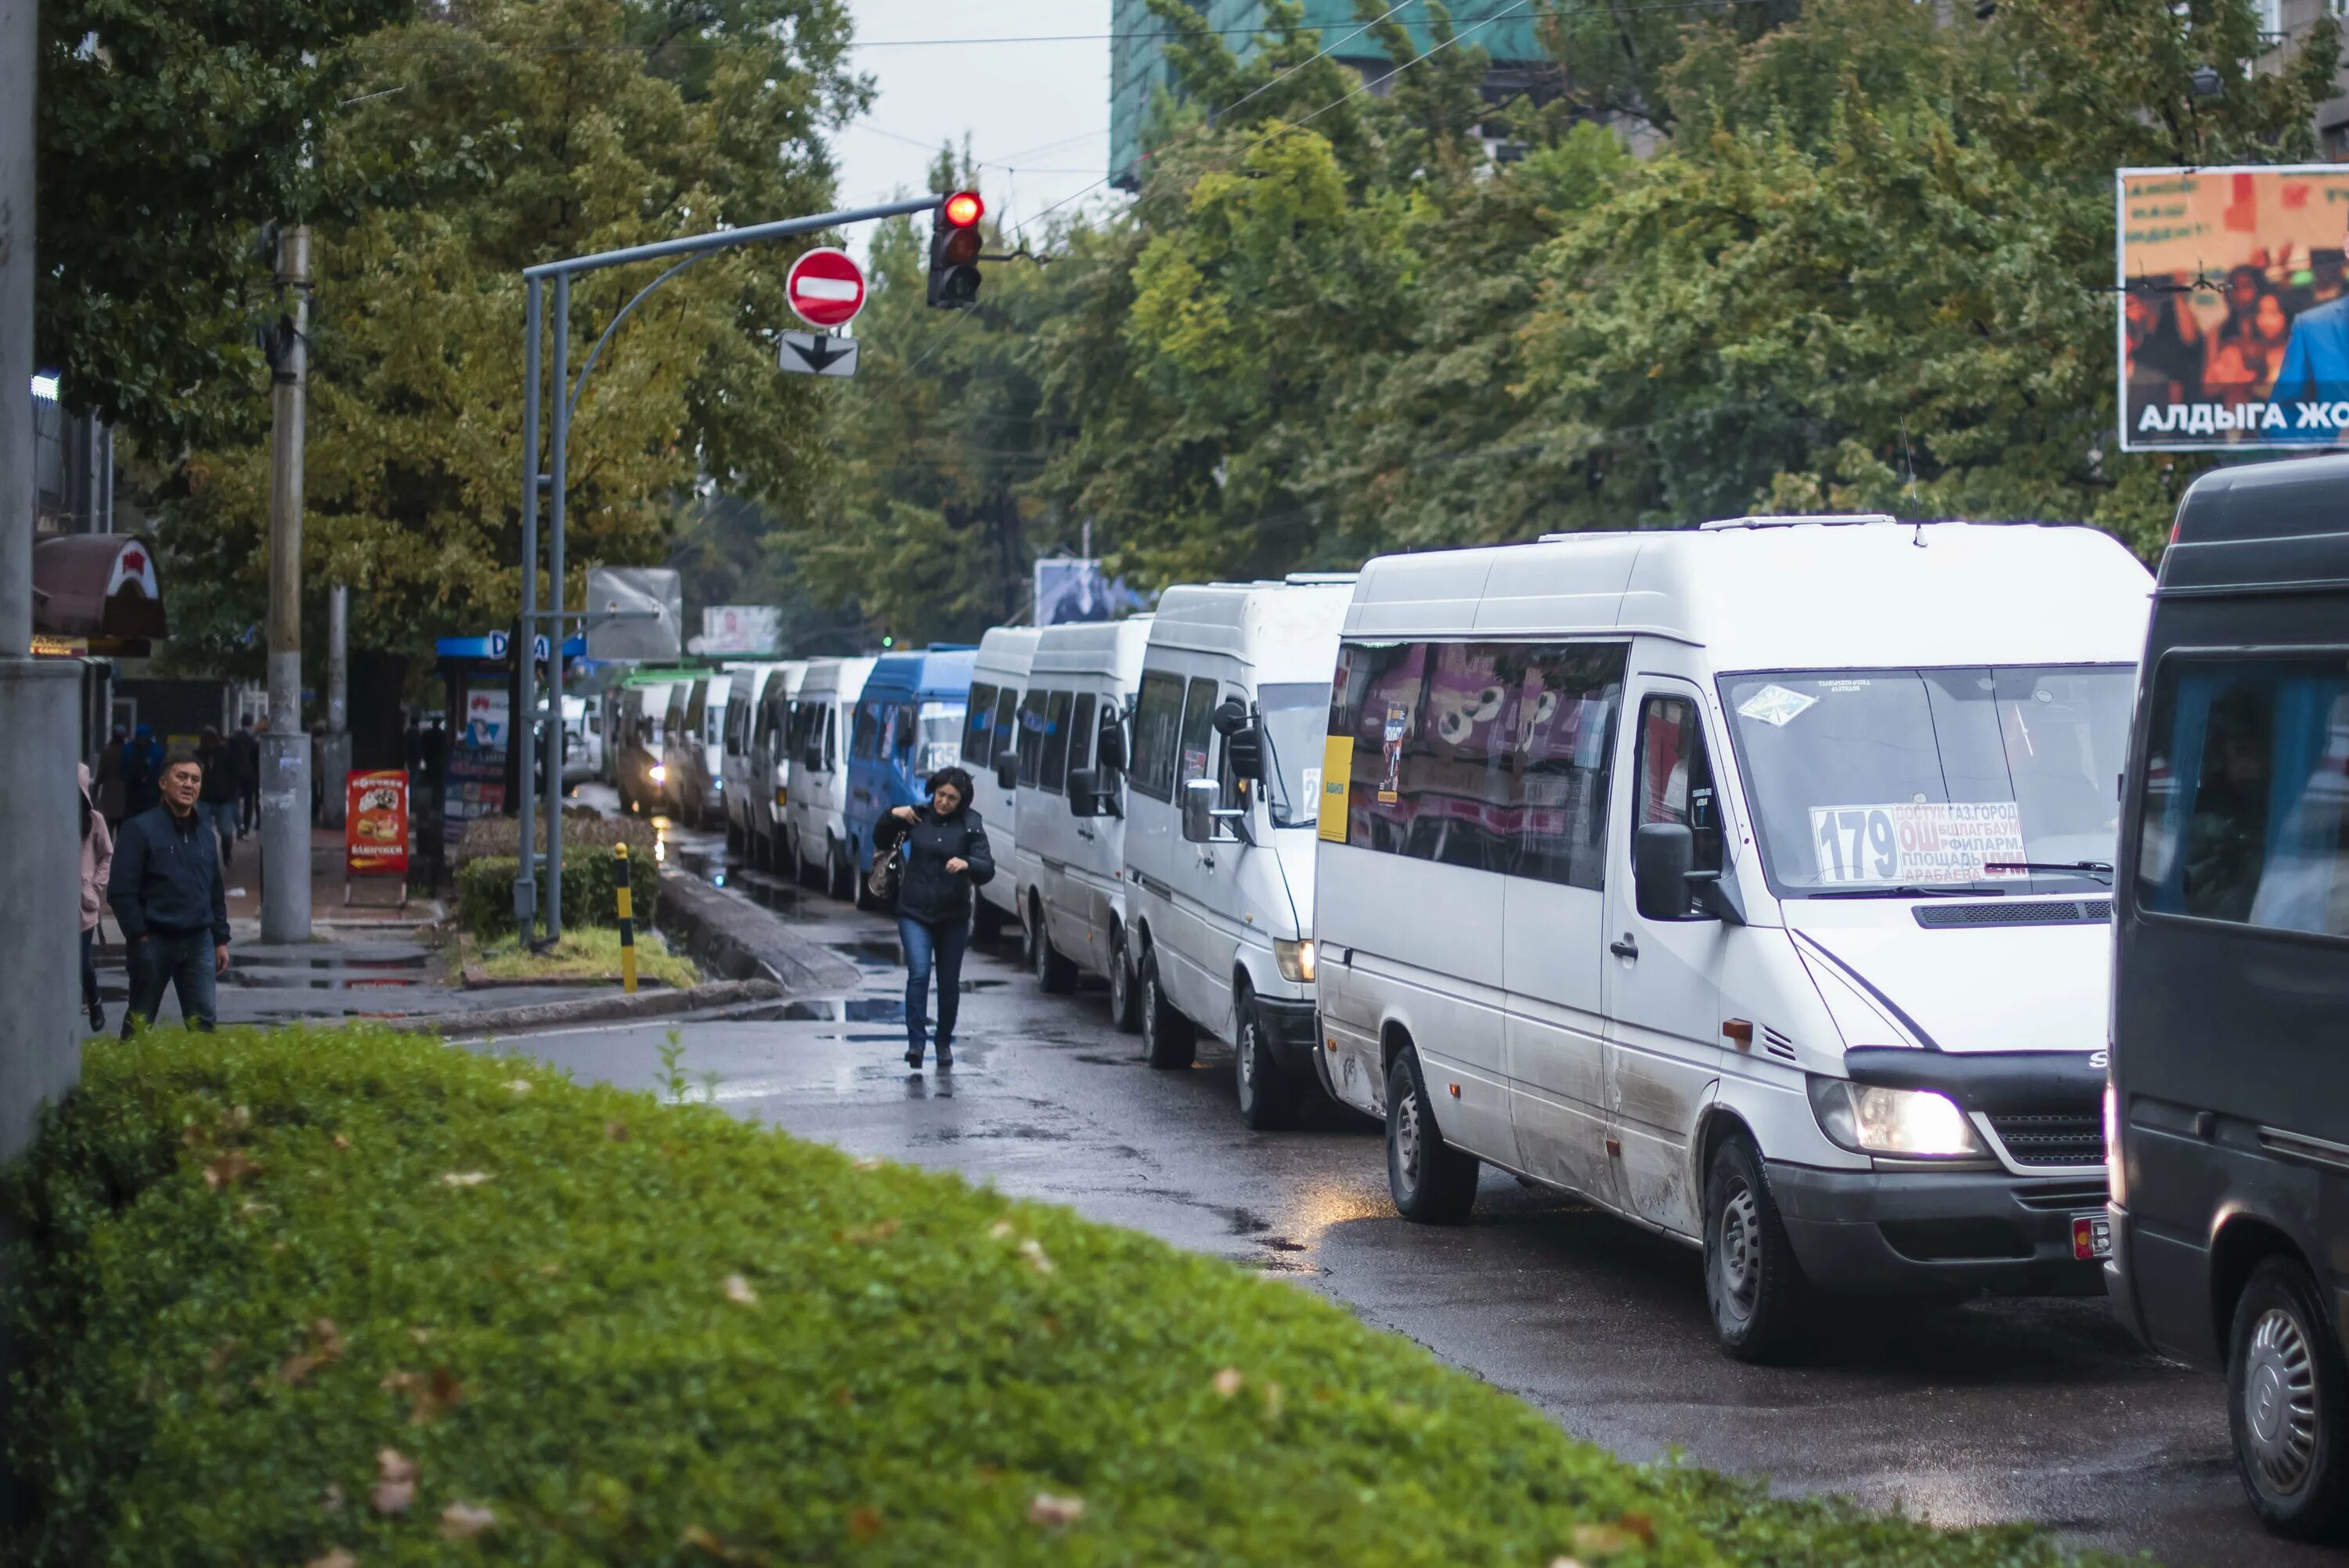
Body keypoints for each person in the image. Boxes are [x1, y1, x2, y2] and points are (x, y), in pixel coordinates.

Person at [871, 766, 994, 1070]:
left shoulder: (971, 825)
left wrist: (966, 862)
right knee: (919, 974)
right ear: (933, 791)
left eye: (952, 798)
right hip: (914, 910)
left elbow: (988, 867)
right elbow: (881, 836)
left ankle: (942, 1043)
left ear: (962, 802)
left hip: (953, 916)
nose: (943, 802)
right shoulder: (918, 816)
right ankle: (916, 1043)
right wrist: (894, 813)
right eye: (940, 795)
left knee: (949, 983)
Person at [109, 750, 231, 1034]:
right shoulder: (138, 829)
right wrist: (139, 935)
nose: (189, 785)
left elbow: (214, 890)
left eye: (196, 779)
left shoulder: (204, 833)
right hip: (154, 939)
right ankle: (128, 1075)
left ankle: (201, 1078)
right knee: (140, 1022)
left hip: (199, 940)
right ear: (163, 783)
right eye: (182, 777)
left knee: (204, 1025)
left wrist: (220, 939)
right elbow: (120, 892)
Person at [78, 762, 113, 1035]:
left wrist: (95, 885)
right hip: (51, 905)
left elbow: (106, 854)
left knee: (79, 960)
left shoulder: (94, 820)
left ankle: (95, 1003)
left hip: (82, 904)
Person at [196, 726, 240, 869]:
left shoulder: (226, 754)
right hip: (204, 798)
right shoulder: (197, 755)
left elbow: (234, 774)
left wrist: (231, 792)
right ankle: (208, 858)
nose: (209, 743)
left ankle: (227, 854)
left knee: (226, 832)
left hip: (224, 799)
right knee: (204, 831)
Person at [121, 723, 161, 818]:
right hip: (134, 789)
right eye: (140, 738)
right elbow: (123, 769)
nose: (141, 741)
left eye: (144, 738)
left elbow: (159, 769)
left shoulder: (156, 750)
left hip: (150, 789)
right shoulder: (128, 749)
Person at [229, 716, 261, 838]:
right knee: (249, 802)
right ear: (252, 723)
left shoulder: (234, 738)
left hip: (236, 774)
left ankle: (239, 826)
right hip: (251, 775)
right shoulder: (253, 740)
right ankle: (245, 828)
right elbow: (257, 758)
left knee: (235, 801)